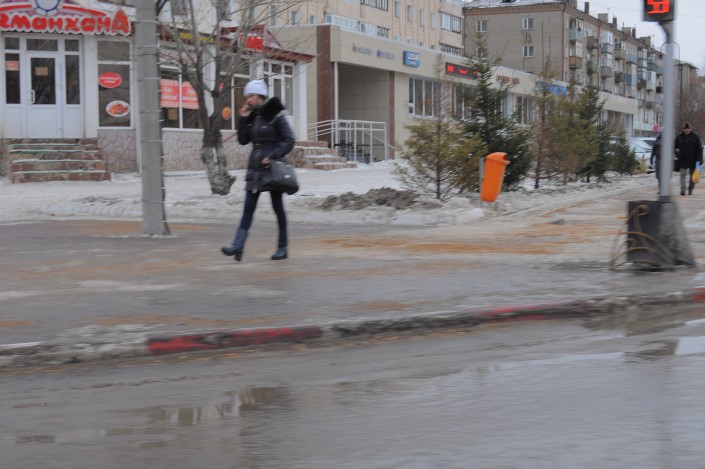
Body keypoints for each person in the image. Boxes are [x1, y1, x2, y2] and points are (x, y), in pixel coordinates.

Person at [221, 79, 295, 261]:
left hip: (272, 168)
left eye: (251, 96)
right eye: (247, 97)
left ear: (261, 96)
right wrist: (242, 118)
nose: (248, 100)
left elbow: (289, 140)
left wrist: (273, 155)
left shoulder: (275, 114)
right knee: (248, 207)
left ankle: (282, 247)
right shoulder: (252, 116)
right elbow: (243, 140)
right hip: (255, 168)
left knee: (277, 207)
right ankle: (237, 246)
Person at [674, 122, 703, 196]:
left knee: (692, 176)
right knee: (682, 174)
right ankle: (683, 190)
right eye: (685, 129)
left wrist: (700, 160)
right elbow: (674, 148)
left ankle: (690, 189)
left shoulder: (696, 138)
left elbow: (699, 149)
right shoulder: (679, 138)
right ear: (683, 129)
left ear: (691, 129)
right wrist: (677, 154)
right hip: (682, 159)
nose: (687, 130)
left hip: (693, 160)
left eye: (688, 129)